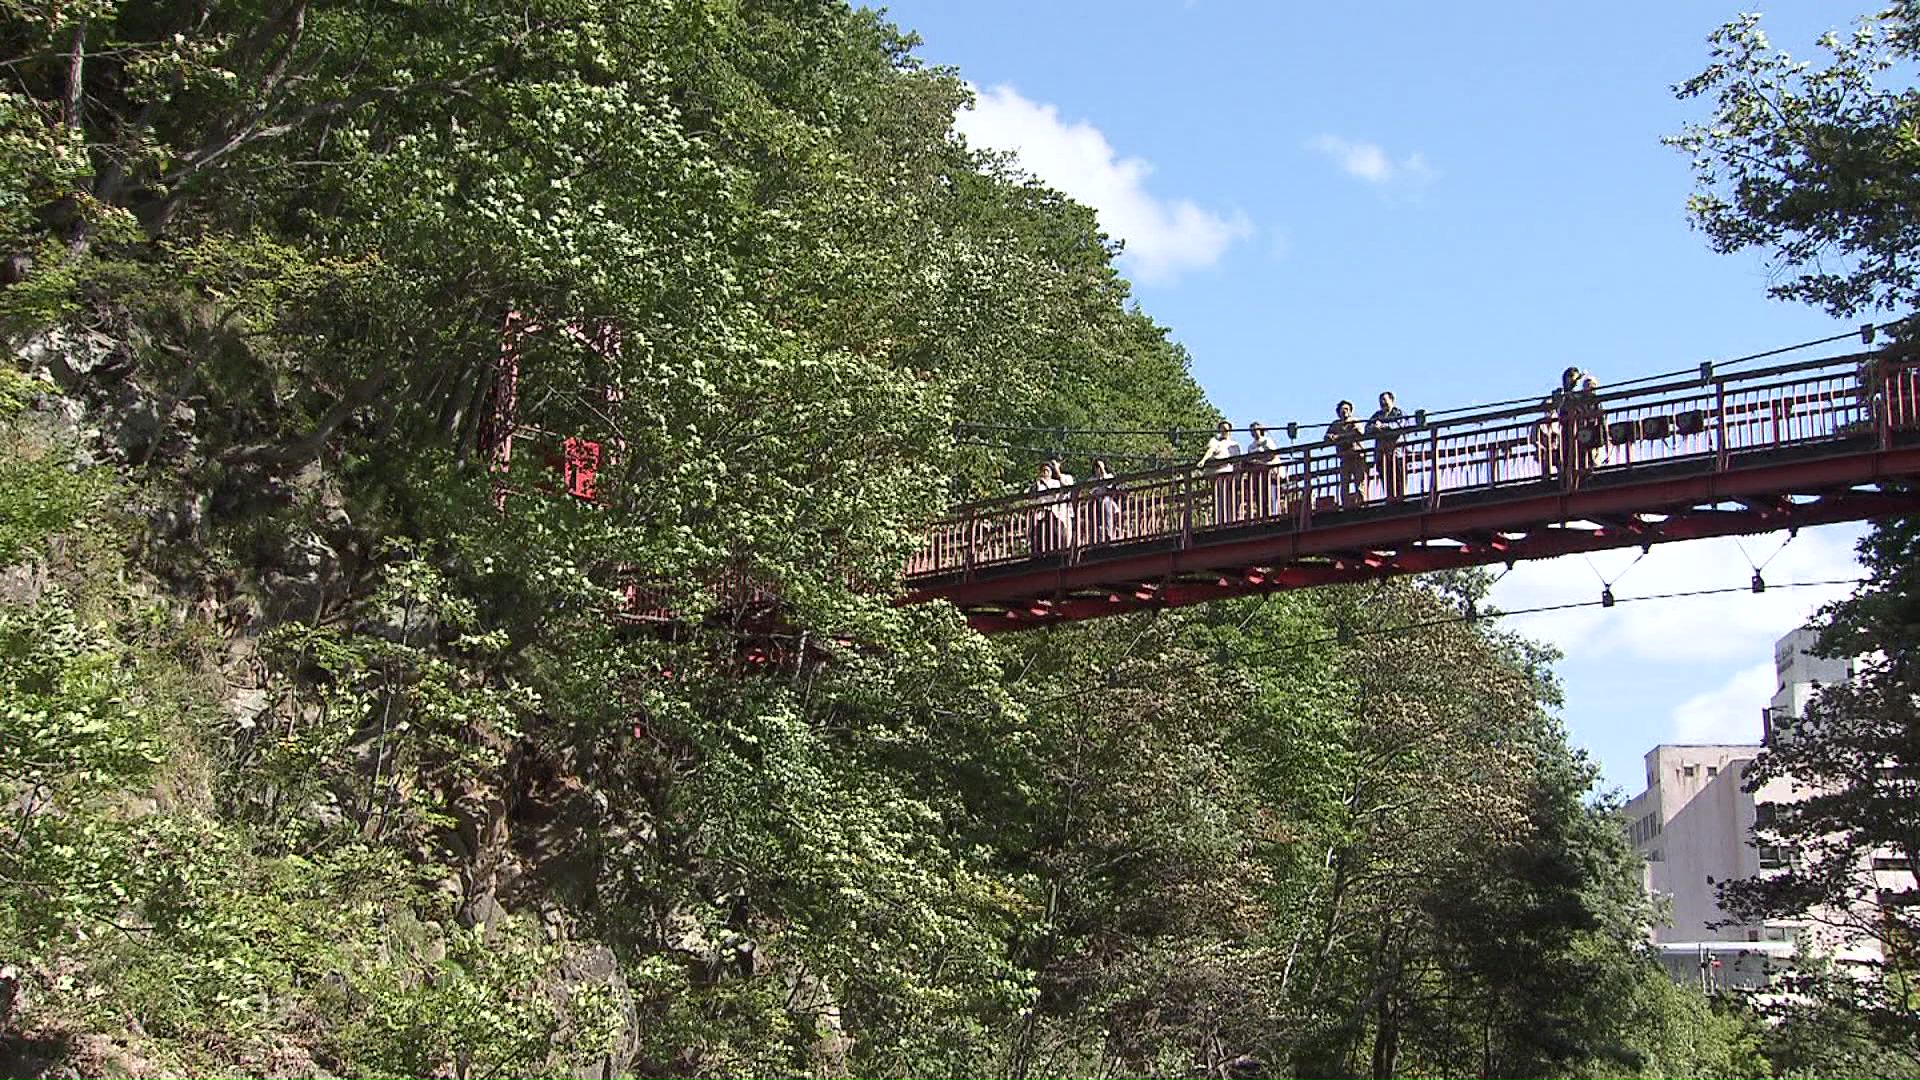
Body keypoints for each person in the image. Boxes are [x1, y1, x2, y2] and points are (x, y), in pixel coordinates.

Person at [1533, 366, 1583, 482]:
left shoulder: (1579, 397)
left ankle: (1574, 473)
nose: (1572, 381)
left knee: (1576, 453)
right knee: (1564, 453)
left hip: (1577, 431)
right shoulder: (1560, 395)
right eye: (1570, 378)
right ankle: (1562, 474)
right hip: (1565, 431)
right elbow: (1549, 406)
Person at [1195, 420, 1242, 524]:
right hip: (1216, 472)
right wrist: (1203, 461)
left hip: (1228, 472)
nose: (1224, 431)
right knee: (1219, 497)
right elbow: (1210, 450)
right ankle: (1220, 520)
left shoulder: (1234, 444)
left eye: (1226, 429)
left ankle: (1230, 519)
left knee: (1229, 497)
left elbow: (1237, 461)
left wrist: (1238, 475)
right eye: (1222, 429)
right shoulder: (1216, 441)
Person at [1367, 391, 1410, 500]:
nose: (1382, 403)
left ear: (1391, 400)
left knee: (1399, 477)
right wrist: (1374, 428)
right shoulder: (1377, 415)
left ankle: (1401, 498)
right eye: (1380, 401)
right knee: (1385, 478)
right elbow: (1367, 429)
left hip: (1397, 452)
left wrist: (1383, 426)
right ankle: (1390, 498)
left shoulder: (1398, 413)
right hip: (1381, 453)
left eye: (1384, 400)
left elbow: (1399, 426)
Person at [1327, 400, 1367, 506]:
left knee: (1359, 482)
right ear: (1338, 412)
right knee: (1344, 484)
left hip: (1357, 456)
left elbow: (1359, 432)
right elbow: (1326, 437)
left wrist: (1339, 437)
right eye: (1342, 409)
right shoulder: (1336, 425)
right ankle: (1346, 505)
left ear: (1350, 411)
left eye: (1347, 409)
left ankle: (1362, 503)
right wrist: (1330, 437)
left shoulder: (1355, 421)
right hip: (1344, 457)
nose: (1344, 412)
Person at [1243, 421, 1280, 518]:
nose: (1253, 433)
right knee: (1260, 496)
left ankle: (1273, 514)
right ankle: (1263, 515)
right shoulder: (1251, 446)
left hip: (1269, 471)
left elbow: (1273, 455)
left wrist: (1260, 461)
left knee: (1271, 495)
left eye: (1255, 430)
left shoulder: (1267, 441)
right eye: (1251, 431)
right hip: (1256, 474)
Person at [1087, 458, 1122, 543]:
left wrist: (1103, 474)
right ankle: (1093, 537)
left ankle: (1108, 533)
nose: (1098, 469)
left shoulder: (1109, 476)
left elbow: (1110, 486)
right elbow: (1091, 491)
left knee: (1106, 502)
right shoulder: (1091, 480)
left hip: (1107, 501)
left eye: (1100, 466)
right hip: (1095, 502)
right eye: (1096, 467)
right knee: (1093, 506)